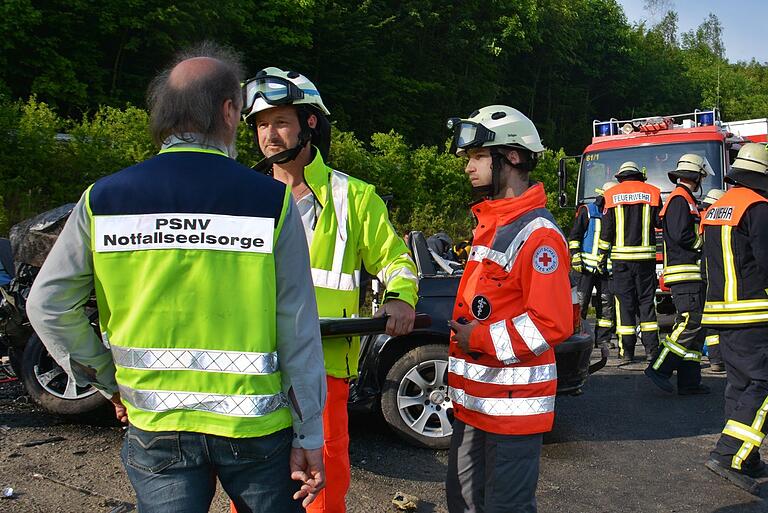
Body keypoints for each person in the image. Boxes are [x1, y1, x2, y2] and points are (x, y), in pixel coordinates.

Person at [25, 44, 327, 513]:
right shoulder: (270, 201)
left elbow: (46, 305)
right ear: (229, 111)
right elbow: (297, 327)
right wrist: (310, 433)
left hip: (155, 425)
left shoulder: (102, 199)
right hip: (254, 430)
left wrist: (107, 381)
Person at [241, 67, 418, 513]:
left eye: (280, 122)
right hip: (249, 371)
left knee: (321, 491)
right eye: (262, 124)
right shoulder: (242, 195)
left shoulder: (353, 198)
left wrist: (398, 296)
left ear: (310, 123)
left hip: (322, 373)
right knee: (252, 493)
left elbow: (397, 260)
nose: (269, 135)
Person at [445, 105, 573, 513]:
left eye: (478, 157)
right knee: (463, 502)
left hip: (514, 410)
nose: (468, 167)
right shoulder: (491, 224)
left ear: (512, 157)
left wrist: (477, 338)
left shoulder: (539, 236)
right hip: (474, 405)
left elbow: (551, 322)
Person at [701, 143, 768, 495]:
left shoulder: (716, 209)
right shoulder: (758, 208)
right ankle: (728, 454)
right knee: (763, 385)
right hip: (755, 313)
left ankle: (747, 455)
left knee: (740, 385)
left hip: (722, 313)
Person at [645, 154, 713, 395]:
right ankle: (659, 368)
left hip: (690, 273)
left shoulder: (686, 199)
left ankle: (689, 382)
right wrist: (704, 242)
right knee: (689, 322)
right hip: (684, 272)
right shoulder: (678, 200)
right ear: (696, 176)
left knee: (697, 327)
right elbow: (680, 235)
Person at [598, 161, 662, 363]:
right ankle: (652, 350)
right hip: (646, 261)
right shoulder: (653, 192)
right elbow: (659, 223)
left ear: (620, 177)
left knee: (624, 306)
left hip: (621, 261)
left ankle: (627, 352)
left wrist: (601, 255)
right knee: (646, 304)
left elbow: (607, 230)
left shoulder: (611, 195)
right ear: (639, 176)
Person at [569, 181, 618, 355]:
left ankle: (603, 339)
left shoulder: (616, 212)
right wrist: (575, 256)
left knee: (606, 304)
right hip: (585, 268)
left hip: (606, 269)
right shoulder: (588, 211)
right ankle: (578, 335)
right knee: (581, 303)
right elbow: (575, 236)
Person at [698, 188, 726, 373]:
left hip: (708, 276)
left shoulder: (705, 222)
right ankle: (720, 358)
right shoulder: (726, 222)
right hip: (724, 277)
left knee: (712, 321)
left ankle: (716, 359)